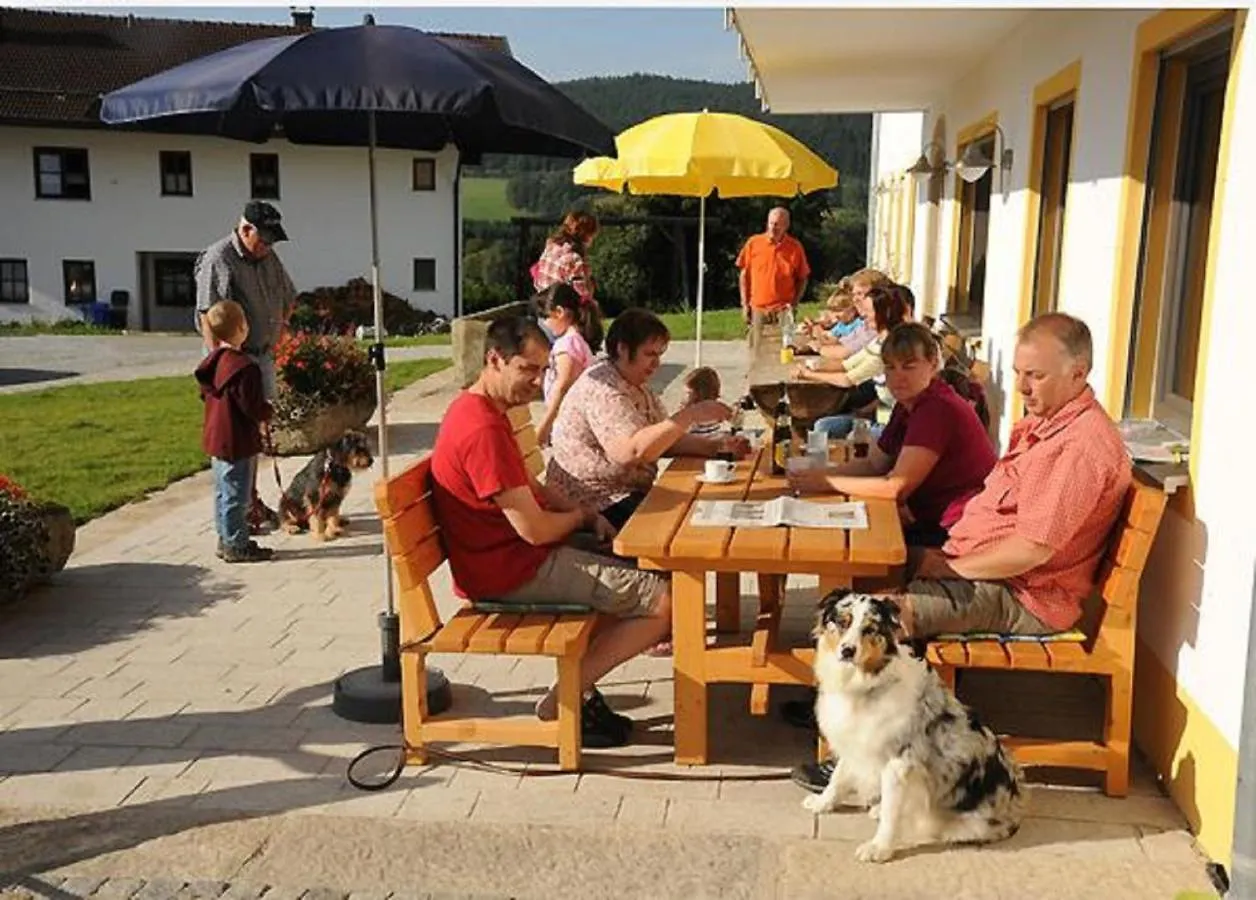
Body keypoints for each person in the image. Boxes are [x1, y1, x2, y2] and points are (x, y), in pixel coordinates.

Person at [789, 312, 1132, 793]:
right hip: (986, 567)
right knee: (866, 583)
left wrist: (949, 566)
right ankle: (846, 716)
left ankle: (869, 758)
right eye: (1018, 373)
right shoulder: (1048, 425)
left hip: (1025, 594)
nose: (1022, 387)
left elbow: (1032, 550)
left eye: (1035, 376)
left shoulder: (1078, 448)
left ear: (1079, 372)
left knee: (884, 617)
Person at [429, 315, 679, 748]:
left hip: (505, 556)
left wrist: (582, 510)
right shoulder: (482, 429)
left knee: (641, 558)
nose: (539, 382)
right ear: (494, 360)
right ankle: (565, 699)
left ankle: (580, 691)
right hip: (509, 571)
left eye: (544, 369)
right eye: (528, 369)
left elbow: (532, 486)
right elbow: (536, 531)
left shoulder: (479, 408)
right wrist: (581, 519)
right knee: (665, 601)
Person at [787, 323, 996, 548]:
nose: (898, 377)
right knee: (849, 539)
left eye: (909, 366)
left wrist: (827, 481)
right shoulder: (909, 404)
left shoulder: (936, 408)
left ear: (933, 364)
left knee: (862, 549)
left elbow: (895, 487)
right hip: (937, 519)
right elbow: (874, 463)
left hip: (964, 530)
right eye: (890, 367)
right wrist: (818, 474)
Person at [546, 308, 750, 531]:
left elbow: (663, 439)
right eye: (650, 354)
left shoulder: (632, 381)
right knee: (694, 524)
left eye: (659, 355)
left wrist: (717, 448)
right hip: (595, 501)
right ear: (623, 349)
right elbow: (631, 452)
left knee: (708, 511)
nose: (656, 364)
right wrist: (691, 415)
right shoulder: (603, 388)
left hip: (620, 493)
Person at [194, 200, 297, 533]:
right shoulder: (218, 259)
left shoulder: (268, 256)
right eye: (264, 239)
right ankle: (239, 511)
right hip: (234, 362)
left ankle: (249, 502)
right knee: (237, 437)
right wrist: (220, 363)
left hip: (262, 355)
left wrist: (279, 327)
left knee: (257, 433)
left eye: (272, 241)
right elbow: (208, 317)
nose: (268, 247)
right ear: (246, 229)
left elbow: (288, 294)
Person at [194, 300, 275, 564]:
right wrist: (267, 411)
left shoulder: (213, 362)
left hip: (217, 438)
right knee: (237, 494)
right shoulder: (244, 368)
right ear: (242, 328)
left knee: (222, 491)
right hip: (237, 439)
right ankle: (236, 545)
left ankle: (226, 537)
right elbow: (251, 406)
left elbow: (205, 394)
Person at [793, 283, 911, 437]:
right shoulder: (878, 341)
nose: (863, 316)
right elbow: (848, 364)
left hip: (890, 425)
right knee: (822, 426)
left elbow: (847, 379)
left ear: (885, 313)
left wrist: (808, 375)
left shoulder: (889, 348)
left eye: (869, 312)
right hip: (877, 413)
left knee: (848, 435)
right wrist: (813, 367)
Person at [534, 283, 603, 447]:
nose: (545, 324)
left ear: (559, 312)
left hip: (570, 426)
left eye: (546, 317)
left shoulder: (567, 345)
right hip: (575, 421)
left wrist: (545, 425)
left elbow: (562, 387)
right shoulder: (576, 341)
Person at [737, 207, 811, 352]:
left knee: (785, 351)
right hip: (758, 308)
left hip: (784, 309)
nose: (773, 228)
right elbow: (744, 275)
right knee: (756, 350)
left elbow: (803, 277)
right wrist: (744, 304)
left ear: (786, 226)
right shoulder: (754, 243)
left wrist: (794, 303)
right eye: (771, 223)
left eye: (777, 224)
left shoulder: (795, 247)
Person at [532, 210, 600, 307]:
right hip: (562, 310)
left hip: (542, 304)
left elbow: (537, 277)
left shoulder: (551, 246)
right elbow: (583, 295)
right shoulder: (574, 259)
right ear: (586, 236)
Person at [679, 366, 724, 437]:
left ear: (699, 394)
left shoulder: (692, 417)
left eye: (688, 393)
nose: (683, 397)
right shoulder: (716, 412)